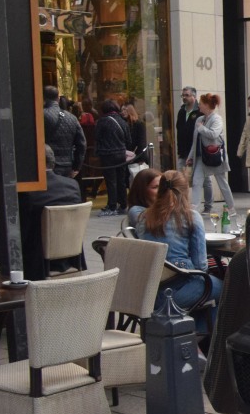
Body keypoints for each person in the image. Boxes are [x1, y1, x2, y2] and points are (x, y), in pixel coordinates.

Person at [133, 169, 221, 332]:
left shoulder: (143, 218)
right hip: (177, 293)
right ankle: (197, 338)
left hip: (148, 293)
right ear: (185, 190)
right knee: (226, 287)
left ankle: (187, 336)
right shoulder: (191, 217)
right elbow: (200, 266)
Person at [20, 145, 85, 280]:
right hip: (70, 255)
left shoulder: (28, 191)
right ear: (53, 162)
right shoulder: (72, 185)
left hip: (37, 261)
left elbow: (23, 230)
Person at [184, 92, 235, 217]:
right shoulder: (199, 119)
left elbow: (214, 134)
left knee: (222, 183)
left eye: (201, 104)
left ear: (207, 105)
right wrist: (190, 157)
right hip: (202, 157)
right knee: (196, 181)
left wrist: (201, 128)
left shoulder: (217, 119)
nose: (199, 106)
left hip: (215, 156)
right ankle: (194, 209)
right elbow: (195, 141)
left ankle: (231, 207)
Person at [94, 99, 130, 217]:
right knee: (121, 180)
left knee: (111, 180)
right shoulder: (123, 121)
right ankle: (123, 204)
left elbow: (97, 137)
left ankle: (112, 205)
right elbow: (128, 139)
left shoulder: (102, 121)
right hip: (121, 154)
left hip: (107, 154)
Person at [43, 85, 86, 178]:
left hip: (47, 165)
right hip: (67, 164)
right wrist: (77, 167)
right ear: (58, 98)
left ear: (43, 98)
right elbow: (82, 144)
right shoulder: (72, 117)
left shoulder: (41, 115)